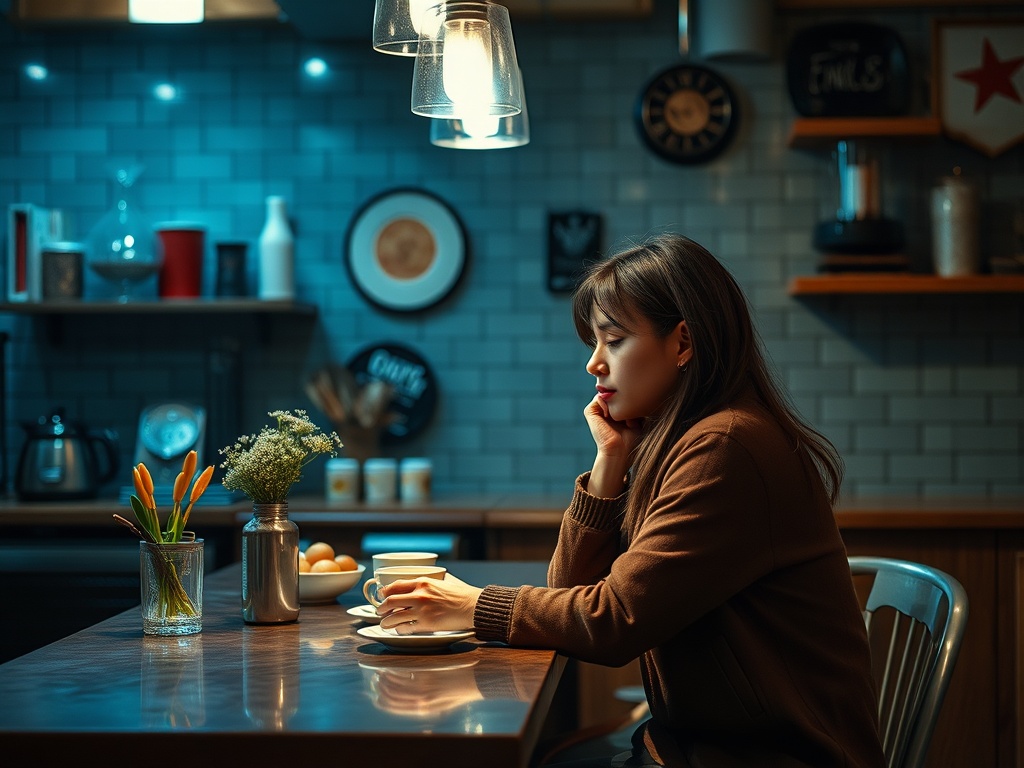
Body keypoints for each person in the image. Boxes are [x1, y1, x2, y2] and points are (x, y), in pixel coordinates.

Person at [376, 234, 886, 767]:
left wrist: (474, 605)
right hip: (702, 745)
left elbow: (614, 621)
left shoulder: (726, 446)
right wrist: (610, 461)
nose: (594, 364)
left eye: (613, 340)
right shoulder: (687, 440)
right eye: (594, 344)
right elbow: (571, 589)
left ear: (683, 342)